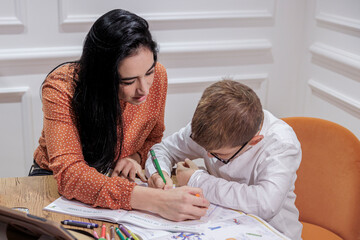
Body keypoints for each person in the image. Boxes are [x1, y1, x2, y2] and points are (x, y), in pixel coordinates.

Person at [30, 9, 209, 221]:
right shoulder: (62, 87)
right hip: (53, 184)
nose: (144, 89)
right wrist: (158, 201)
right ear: (102, 77)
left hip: (119, 183)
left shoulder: (158, 75)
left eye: (149, 72)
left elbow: (153, 137)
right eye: (128, 81)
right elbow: (70, 176)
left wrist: (136, 157)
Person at [145, 79, 303, 239]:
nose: (207, 155)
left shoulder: (282, 144)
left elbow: (265, 204)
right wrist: (158, 174)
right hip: (218, 226)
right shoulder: (211, 126)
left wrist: (196, 179)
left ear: (254, 141)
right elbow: (161, 150)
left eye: (219, 155)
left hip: (273, 232)